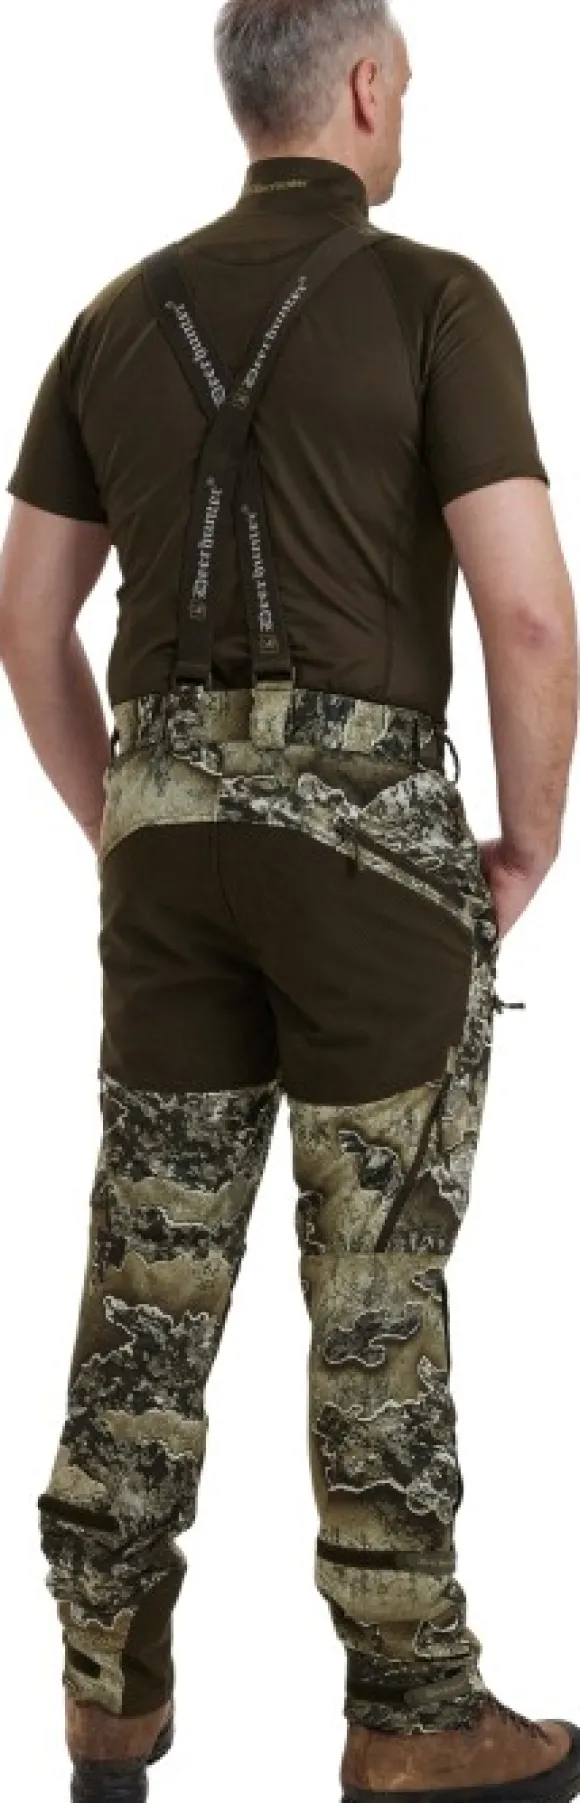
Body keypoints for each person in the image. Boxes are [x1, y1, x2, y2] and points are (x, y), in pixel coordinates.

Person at [1, 2, 578, 1799]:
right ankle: (412, 1714)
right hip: (369, 852)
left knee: (150, 1277)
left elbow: (29, 616)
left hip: (168, 851)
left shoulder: (112, 316)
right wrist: (528, 839)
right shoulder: (437, 300)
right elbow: (526, 607)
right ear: (365, 87)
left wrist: (129, 820)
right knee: (375, 1286)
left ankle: (106, 1690)